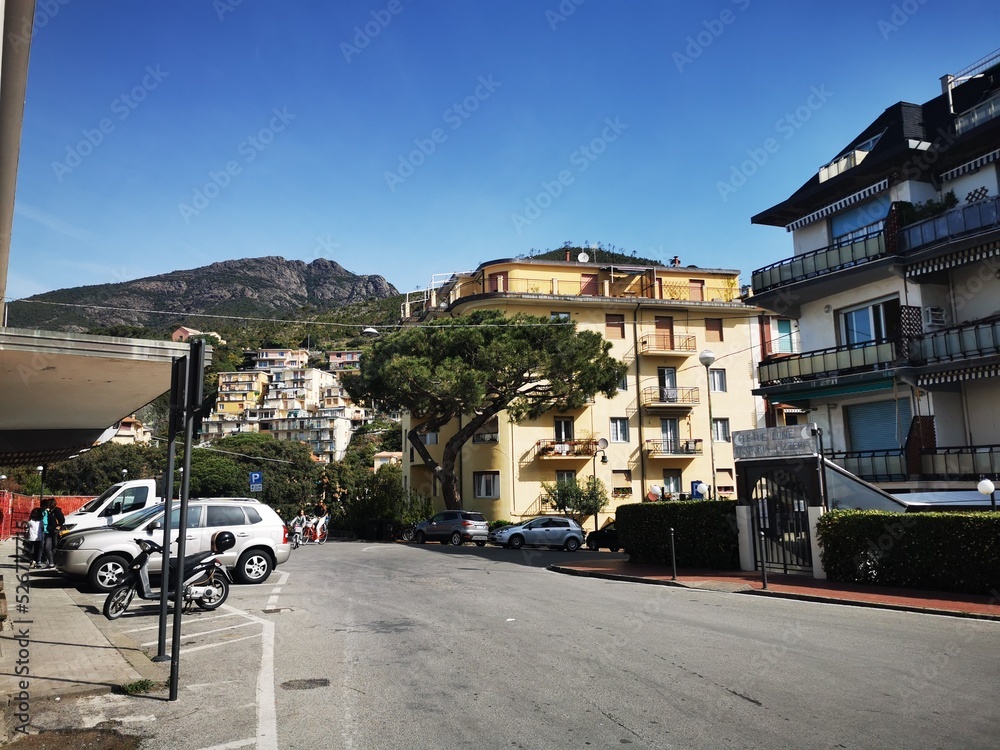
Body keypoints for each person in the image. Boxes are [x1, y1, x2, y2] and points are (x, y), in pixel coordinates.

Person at [39, 499, 64, 569]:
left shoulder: (56, 511)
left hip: (55, 531)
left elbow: (62, 519)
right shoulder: (48, 511)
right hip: (49, 531)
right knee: (47, 547)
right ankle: (51, 562)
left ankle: (54, 562)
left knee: (55, 546)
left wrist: (59, 526)